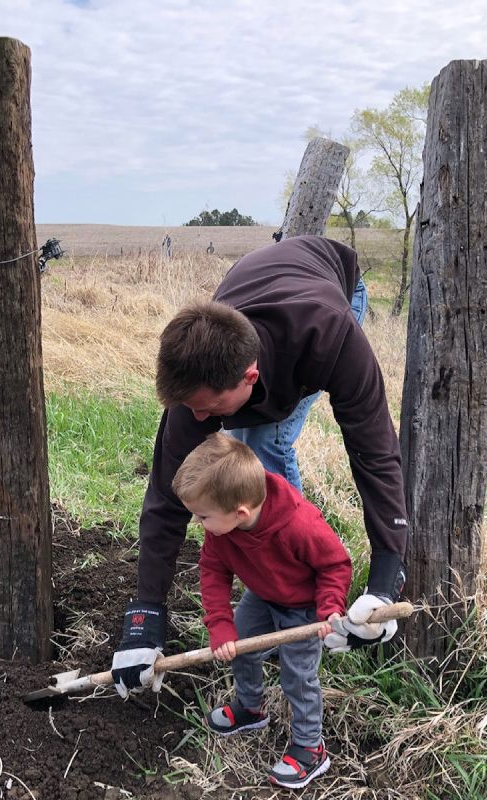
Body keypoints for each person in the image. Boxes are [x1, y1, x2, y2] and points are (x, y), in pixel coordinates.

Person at [111, 235, 408, 698]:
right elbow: (167, 496)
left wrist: (386, 581)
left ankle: (296, 593)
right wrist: (145, 616)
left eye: (210, 409)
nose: (202, 420)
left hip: (332, 290)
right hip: (258, 299)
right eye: (193, 409)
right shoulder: (198, 391)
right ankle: (274, 591)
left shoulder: (331, 336)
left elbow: (374, 453)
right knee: (239, 461)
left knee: (264, 445)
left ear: (249, 375)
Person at [171, 433, 351, 788]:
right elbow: (212, 571)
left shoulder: (299, 525)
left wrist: (329, 607)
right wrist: (221, 626)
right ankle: (250, 708)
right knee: (240, 643)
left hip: (303, 608)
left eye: (202, 516)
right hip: (264, 595)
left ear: (239, 512)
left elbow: (336, 564)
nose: (198, 523)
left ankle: (310, 748)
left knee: (297, 677)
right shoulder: (222, 528)